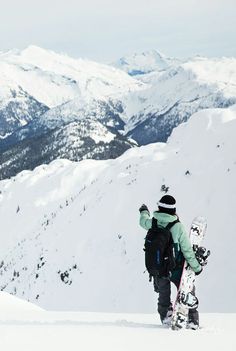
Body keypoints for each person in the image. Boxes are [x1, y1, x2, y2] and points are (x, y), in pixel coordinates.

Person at [139, 195, 202, 329]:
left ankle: (165, 316)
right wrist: (196, 268)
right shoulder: (177, 226)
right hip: (175, 268)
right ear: (173, 209)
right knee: (187, 290)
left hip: (159, 268)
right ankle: (192, 319)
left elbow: (142, 221)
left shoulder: (153, 222)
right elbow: (187, 251)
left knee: (163, 293)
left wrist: (144, 211)